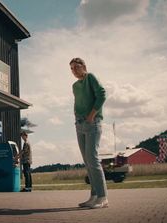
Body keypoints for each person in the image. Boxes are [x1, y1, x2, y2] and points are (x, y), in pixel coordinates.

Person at [69, 57, 108, 209]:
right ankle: (94, 196)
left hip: (92, 122)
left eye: (76, 67)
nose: (74, 71)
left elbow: (102, 94)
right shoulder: (74, 85)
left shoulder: (90, 77)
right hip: (79, 125)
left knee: (93, 159)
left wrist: (92, 114)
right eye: (71, 69)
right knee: (87, 162)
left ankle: (103, 197)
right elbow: (77, 102)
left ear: (83, 66)